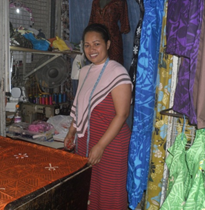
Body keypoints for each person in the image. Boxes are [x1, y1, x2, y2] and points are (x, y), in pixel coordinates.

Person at [64, 23, 133, 209]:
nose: (91, 49)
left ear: (108, 44)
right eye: (87, 45)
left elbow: (122, 114)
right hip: (86, 141)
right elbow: (79, 104)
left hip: (110, 144)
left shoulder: (117, 72)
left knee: (110, 194)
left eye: (96, 44)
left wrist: (101, 146)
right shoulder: (85, 71)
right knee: (89, 190)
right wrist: (72, 131)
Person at [88, 0, 130, 65]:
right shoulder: (95, 1)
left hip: (113, 40)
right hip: (97, 39)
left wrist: (124, 28)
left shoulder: (120, 1)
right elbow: (92, 20)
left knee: (115, 66)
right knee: (98, 64)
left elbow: (125, 23)